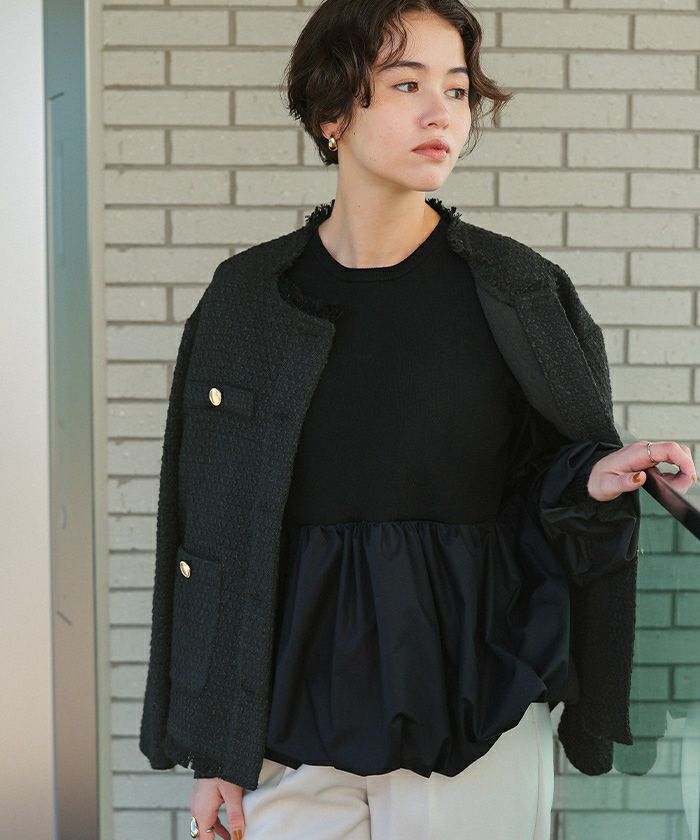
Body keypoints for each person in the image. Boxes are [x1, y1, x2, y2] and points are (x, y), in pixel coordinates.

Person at [139, 2, 698, 839]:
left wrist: (592, 479)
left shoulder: (519, 290)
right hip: (290, 720)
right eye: (407, 85)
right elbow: (210, 535)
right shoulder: (247, 300)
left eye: (458, 90)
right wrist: (218, 753)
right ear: (332, 111)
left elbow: (542, 486)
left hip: (475, 705)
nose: (443, 113)